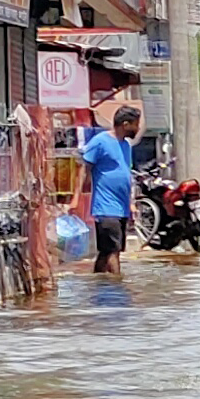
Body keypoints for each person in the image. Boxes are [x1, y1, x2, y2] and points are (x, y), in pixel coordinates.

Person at [79, 105, 140, 276]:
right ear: (126, 124)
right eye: (136, 124)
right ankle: (118, 287)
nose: (138, 128)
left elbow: (126, 175)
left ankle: (99, 283)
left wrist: (131, 205)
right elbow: (84, 168)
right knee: (113, 251)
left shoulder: (126, 146)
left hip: (121, 208)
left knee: (108, 251)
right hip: (106, 207)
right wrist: (76, 198)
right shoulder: (100, 141)